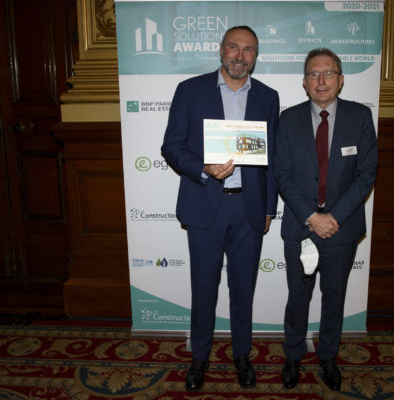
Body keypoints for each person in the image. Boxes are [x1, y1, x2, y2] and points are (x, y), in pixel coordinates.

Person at [161, 26, 279, 392]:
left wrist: (269, 209)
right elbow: (171, 145)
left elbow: (273, 158)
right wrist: (202, 168)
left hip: (249, 207)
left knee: (244, 288)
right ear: (221, 50)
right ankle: (200, 358)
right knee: (204, 288)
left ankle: (242, 355)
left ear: (255, 57)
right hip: (204, 204)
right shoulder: (190, 90)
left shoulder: (268, 97)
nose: (240, 56)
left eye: (249, 50)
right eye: (234, 47)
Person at [274, 48, 378, 391]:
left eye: (329, 73)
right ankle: (293, 354)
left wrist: (332, 216)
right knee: (298, 295)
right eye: (314, 75)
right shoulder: (287, 120)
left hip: (342, 227)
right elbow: (282, 174)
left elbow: (366, 174)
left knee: (334, 295)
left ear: (341, 79)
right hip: (301, 227)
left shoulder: (360, 117)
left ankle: (328, 356)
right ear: (304, 82)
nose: (321, 81)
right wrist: (311, 217)